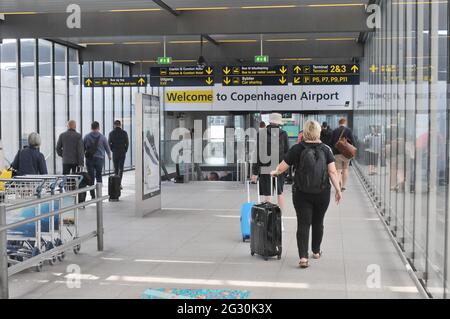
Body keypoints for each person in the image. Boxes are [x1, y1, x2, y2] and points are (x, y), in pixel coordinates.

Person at [270, 120, 342, 269]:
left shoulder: (297, 148)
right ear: (318, 132)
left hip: (301, 193)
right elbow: (332, 171)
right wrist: (338, 189)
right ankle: (316, 251)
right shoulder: (326, 149)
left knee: (303, 224)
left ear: (305, 132)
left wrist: (275, 171)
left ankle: (303, 257)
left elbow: (283, 166)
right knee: (318, 222)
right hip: (322, 193)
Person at [251, 113, 289, 231]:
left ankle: (266, 222)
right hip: (279, 168)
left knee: (267, 195)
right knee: (280, 193)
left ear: (269, 121)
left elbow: (257, 154)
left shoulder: (261, 133)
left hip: (265, 168)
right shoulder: (283, 134)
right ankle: (280, 221)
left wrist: (254, 172)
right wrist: (286, 169)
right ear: (279, 122)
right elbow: (287, 153)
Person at [83, 121, 111, 198]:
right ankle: (99, 195)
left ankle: (93, 196)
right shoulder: (102, 137)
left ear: (91, 128)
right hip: (99, 159)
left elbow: (83, 148)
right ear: (98, 128)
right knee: (99, 176)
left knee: (91, 177)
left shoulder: (86, 136)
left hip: (89, 159)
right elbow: (107, 148)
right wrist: (109, 156)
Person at [330, 118, 355, 192]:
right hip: (347, 154)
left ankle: (338, 186)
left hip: (337, 153)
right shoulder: (348, 131)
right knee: (345, 169)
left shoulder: (334, 131)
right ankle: (343, 186)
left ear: (339, 123)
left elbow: (331, 142)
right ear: (345, 123)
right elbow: (353, 142)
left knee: (338, 170)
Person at [108, 120, 129, 187]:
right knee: (121, 168)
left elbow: (109, 143)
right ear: (120, 125)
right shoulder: (124, 133)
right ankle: (119, 183)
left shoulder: (111, 133)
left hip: (115, 152)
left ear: (114, 125)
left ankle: (116, 182)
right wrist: (125, 150)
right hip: (122, 152)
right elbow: (127, 143)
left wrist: (112, 149)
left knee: (116, 168)